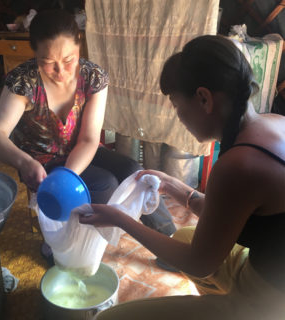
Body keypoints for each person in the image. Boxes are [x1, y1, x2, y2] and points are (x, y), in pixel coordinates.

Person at [79, 35, 285, 320]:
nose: (178, 116)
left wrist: (120, 218)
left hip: (270, 299)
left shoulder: (239, 165)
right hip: (266, 266)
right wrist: (177, 188)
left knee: (109, 319)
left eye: (176, 105)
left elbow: (199, 263)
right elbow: (229, 213)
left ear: (203, 98)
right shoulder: (274, 123)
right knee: (187, 235)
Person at [0, 10, 175, 264]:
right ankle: (67, 247)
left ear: (79, 45)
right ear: (35, 55)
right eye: (47, 61)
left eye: (69, 59)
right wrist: (23, 162)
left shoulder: (93, 77)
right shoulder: (24, 82)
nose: (60, 71)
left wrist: (68, 176)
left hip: (81, 150)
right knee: (104, 184)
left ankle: (170, 242)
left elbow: (88, 139)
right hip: (41, 163)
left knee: (133, 170)